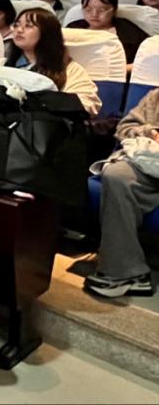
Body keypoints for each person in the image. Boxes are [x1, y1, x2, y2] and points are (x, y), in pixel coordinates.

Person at [83, 88, 159, 298]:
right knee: (116, 174)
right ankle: (126, 271)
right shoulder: (155, 97)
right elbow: (124, 128)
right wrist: (151, 132)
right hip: (149, 163)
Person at [0, 8, 100, 115]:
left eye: (28, 26)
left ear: (47, 33)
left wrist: (34, 100)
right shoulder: (2, 64)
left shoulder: (68, 69)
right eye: (17, 25)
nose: (19, 30)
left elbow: (87, 103)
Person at [67, 0, 149, 67]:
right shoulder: (72, 29)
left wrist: (123, 69)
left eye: (102, 10)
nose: (94, 14)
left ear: (114, 9)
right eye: (88, 9)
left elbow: (146, 60)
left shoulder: (129, 32)